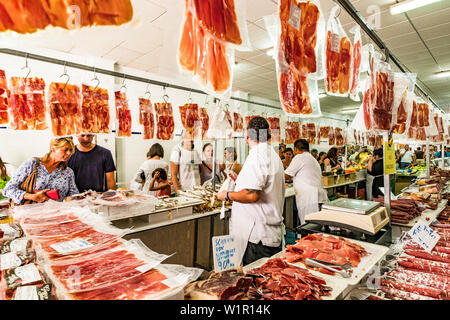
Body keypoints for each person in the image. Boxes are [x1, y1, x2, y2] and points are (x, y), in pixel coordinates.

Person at [216, 117, 285, 266]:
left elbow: (252, 194)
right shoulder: (273, 155)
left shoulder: (257, 155)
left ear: (248, 136)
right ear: (268, 135)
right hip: (266, 235)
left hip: (258, 239)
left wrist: (226, 195)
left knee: (256, 285)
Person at [3, 137, 79, 204]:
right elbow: (8, 189)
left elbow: (73, 195)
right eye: (65, 150)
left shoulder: (68, 172)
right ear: (53, 149)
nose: (69, 153)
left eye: (70, 150)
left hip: (57, 216)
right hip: (29, 215)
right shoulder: (32, 164)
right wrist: (32, 197)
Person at [285, 139, 328, 225]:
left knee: (309, 227)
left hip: (309, 198)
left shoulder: (299, 157)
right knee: (316, 226)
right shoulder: (312, 159)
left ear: (296, 149)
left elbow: (286, 175)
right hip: (318, 196)